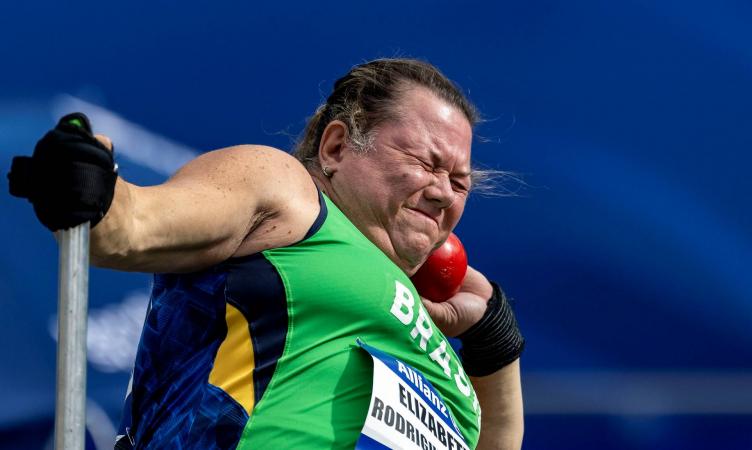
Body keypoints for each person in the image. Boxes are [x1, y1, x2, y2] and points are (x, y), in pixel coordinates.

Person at [9, 58, 524, 449]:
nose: (443, 193)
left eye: (460, 182)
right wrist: (94, 188)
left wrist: (493, 341)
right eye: (426, 163)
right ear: (337, 148)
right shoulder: (290, 195)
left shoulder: (432, 326)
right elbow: (134, 227)